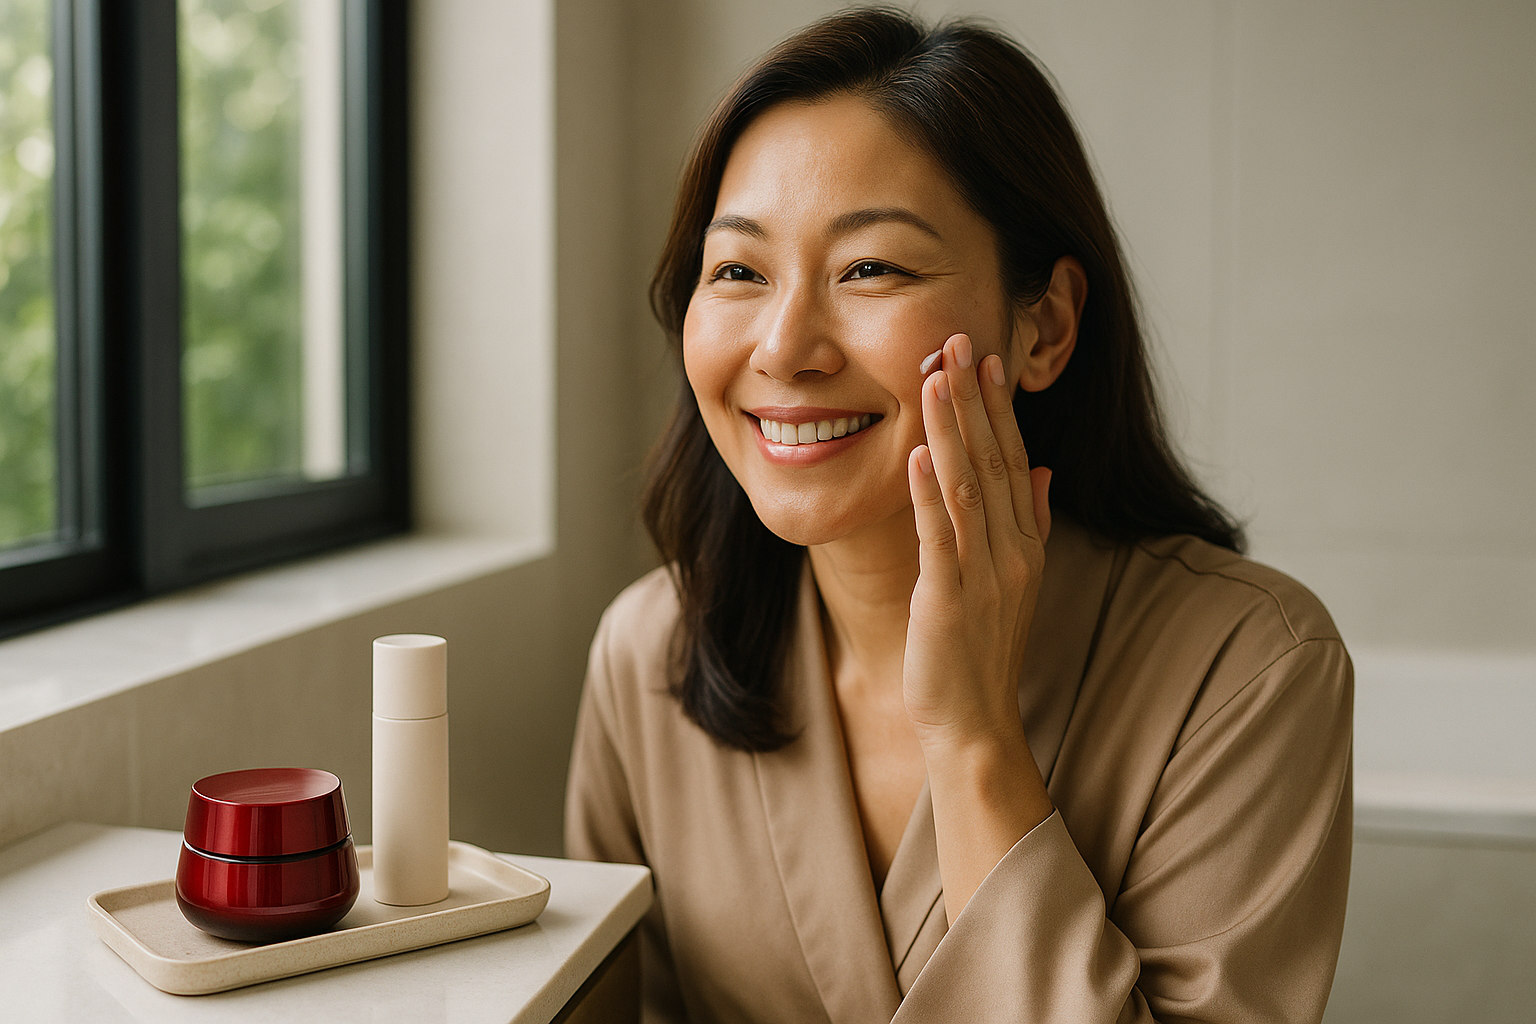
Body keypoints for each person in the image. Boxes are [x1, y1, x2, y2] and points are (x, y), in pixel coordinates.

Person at [565, 8, 1352, 1023]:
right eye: (738, 272)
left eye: (871, 269)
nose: (785, 346)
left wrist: (975, 737)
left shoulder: (1248, 666)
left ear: (1045, 327)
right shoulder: (649, 656)